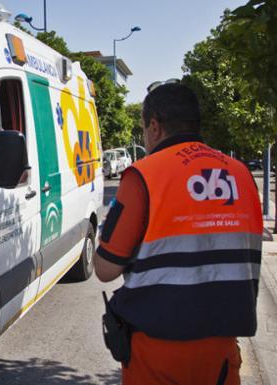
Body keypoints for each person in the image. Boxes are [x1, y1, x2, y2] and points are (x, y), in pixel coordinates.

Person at [94, 83, 262, 385]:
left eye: (144, 128)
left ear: (154, 126)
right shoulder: (241, 174)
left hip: (156, 352)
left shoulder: (143, 175)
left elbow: (105, 269)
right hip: (222, 348)